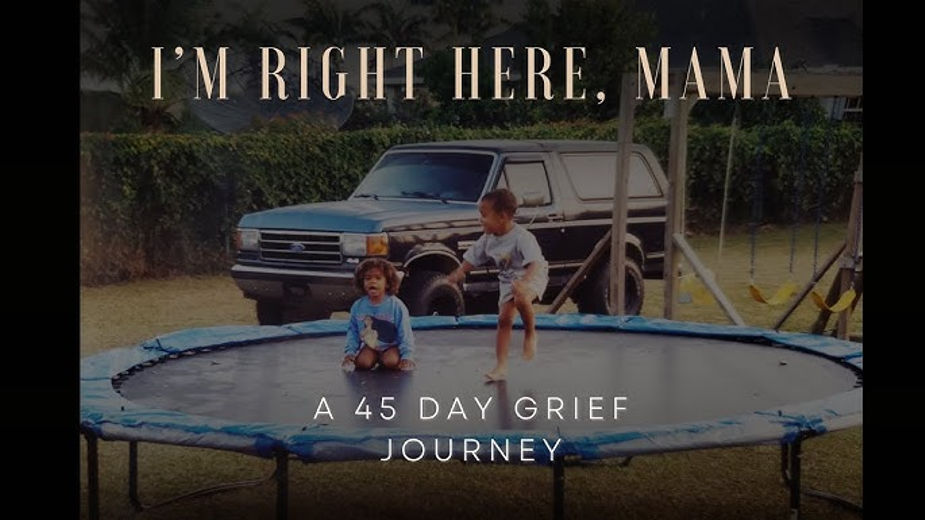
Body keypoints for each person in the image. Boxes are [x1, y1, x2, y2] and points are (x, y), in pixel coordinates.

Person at [447, 188, 548, 381]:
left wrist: (525, 283)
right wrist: (460, 271)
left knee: (521, 297)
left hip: (533, 274)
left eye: (484, 215)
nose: (480, 219)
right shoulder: (488, 239)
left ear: (502, 216)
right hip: (509, 281)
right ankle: (501, 367)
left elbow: (535, 263)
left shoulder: (522, 237)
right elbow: (473, 256)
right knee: (503, 321)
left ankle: (530, 333)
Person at [342, 258, 416, 372]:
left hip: (391, 346)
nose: (372, 281)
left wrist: (407, 356)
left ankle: (385, 359)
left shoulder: (396, 305)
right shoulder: (358, 306)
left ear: (387, 283)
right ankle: (375, 357)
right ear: (362, 282)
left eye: (378, 278)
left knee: (390, 362)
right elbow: (353, 331)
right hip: (371, 346)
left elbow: (405, 331)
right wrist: (350, 352)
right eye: (368, 278)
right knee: (363, 363)